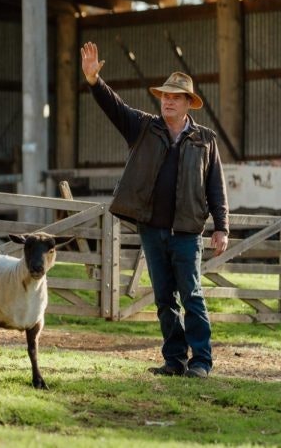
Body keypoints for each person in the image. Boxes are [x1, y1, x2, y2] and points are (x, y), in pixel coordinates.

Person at [81, 41, 229, 379]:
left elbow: (216, 187)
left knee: (192, 295)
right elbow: (115, 108)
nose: (168, 101)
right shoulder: (144, 127)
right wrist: (94, 81)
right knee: (164, 299)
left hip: (187, 233)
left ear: (188, 103)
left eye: (175, 97)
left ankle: (201, 361)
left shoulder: (205, 140)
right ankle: (174, 360)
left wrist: (222, 226)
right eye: (164, 96)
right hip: (152, 230)